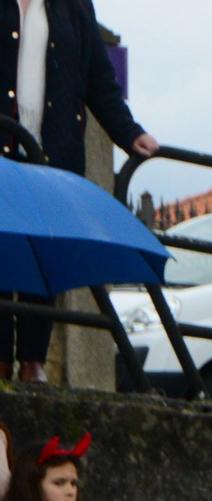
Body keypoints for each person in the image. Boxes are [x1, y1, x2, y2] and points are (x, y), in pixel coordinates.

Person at [2, 0, 157, 383]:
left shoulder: (73, 6)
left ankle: (33, 363)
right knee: (3, 254)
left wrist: (130, 133)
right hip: (4, 150)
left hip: (54, 152)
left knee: (45, 254)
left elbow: (99, 81)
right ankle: (1, 360)